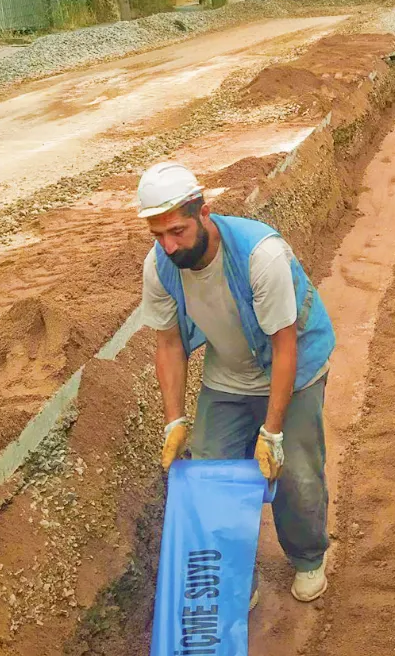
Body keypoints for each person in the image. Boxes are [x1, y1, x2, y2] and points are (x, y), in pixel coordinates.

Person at [137, 162, 336, 607]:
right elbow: (168, 343)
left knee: (294, 472)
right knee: (212, 476)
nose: (169, 246)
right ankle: (237, 575)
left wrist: (272, 433)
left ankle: (307, 558)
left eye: (177, 231)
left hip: (293, 369)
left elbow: (285, 347)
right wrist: (174, 421)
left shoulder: (257, 255)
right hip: (228, 373)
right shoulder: (160, 268)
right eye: (158, 235)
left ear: (203, 213)